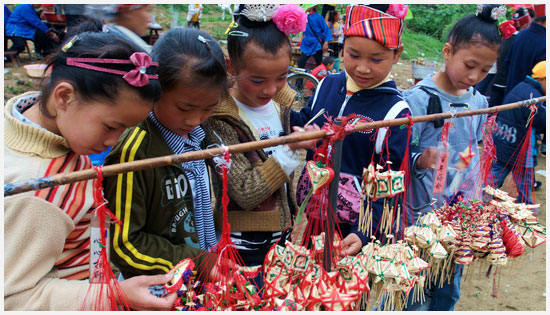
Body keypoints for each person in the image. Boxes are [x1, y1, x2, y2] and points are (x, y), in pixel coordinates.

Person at [3, 31, 179, 311]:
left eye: (124, 130)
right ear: (63, 97)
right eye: (111, 126)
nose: (113, 141)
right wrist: (114, 294)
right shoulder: (40, 191)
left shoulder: (21, 121)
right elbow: (14, 298)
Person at [103, 28, 228, 285]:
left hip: (206, 274)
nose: (194, 120)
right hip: (160, 287)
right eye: (184, 108)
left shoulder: (203, 137)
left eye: (209, 108)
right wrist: (196, 262)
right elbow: (126, 245)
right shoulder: (135, 153)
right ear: (156, 90)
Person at [202, 4, 315, 280]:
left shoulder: (280, 105)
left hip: (281, 233)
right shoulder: (222, 119)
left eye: (281, 77)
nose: (270, 89)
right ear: (232, 67)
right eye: (257, 80)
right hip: (243, 242)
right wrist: (290, 150)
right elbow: (244, 190)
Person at [403, 5, 503, 311]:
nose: (475, 76)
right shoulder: (416, 101)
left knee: (448, 287)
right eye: (470, 65)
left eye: (485, 71)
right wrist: (421, 159)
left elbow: (471, 147)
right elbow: (402, 156)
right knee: (414, 291)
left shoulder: (478, 101)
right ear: (447, 52)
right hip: (419, 216)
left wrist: (460, 179)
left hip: (458, 217)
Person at [291, 4, 411, 253]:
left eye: (376, 59)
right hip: (314, 218)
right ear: (343, 47)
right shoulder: (326, 85)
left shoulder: (395, 113)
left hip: (355, 231)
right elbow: (305, 121)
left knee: (346, 288)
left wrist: (365, 232)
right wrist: (297, 132)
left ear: (396, 55)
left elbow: (391, 183)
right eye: (354, 55)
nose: (363, 68)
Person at [491, 61, 546, 205]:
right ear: (543, 79)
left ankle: (479, 201)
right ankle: (525, 209)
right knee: (525, 183)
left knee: (494, 176)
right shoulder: (535, 97)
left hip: (503, 139)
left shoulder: (521, 86)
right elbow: (541, 121)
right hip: (521, 149)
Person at [487, 7, 535, 107]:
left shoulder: (507, 36)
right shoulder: (521, 40)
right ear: (526, 24)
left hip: (497, 82)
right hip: (508, 85)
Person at [504, 15, 546, 95]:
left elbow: (506, 62)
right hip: (532, 99)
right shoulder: (544, 42)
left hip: (512, 93)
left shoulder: (521, 34)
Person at [85, 4, 153, 53]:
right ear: (127, 11)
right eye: (147, 11)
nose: (150, 19)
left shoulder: (108, 36)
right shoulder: (126, 50)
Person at [298, 4, 332, 70]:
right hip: (306, 44)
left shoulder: (319, 17)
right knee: (300, 64)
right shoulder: (304, 17)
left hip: (316, 44)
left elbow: (326, 30)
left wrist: (326, 43)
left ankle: (320, 80)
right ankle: (299, 80)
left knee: (319, 66)